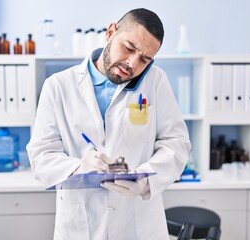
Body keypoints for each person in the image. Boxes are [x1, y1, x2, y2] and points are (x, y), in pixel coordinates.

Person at [27, 8, 191, 240]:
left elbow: (176, 143)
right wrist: (77, 168)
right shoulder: (58, 86)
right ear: (110, 32)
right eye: (129, 48)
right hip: (80, 225)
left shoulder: (156, 82)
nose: (132, 64)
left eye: (144, 59)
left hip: (138, 225)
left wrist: (145, 180)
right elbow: (41, 155)